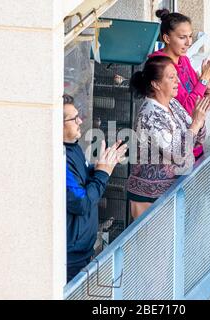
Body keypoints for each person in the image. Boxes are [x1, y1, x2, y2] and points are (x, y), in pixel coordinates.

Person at [126, 56, 210, 219]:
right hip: (150, 200)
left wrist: (200, 119)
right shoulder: (150, 115)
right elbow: (178, 154)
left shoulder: (173, 104)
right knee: (154, 245)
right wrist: (195, 123)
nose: (178, 82)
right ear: (156, 84)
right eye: (171, 77)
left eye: (177, 76)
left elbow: (197, 140)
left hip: (172, 193)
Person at [63, 94, 127, 282]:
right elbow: (81, 202)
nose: (80, 121)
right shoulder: (60, 158)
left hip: (83, 251)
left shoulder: (73, 147)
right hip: (71, 258)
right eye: (74, 118)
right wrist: (102, 174)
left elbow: (82, 179)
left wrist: (102, 166)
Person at [150, 8, 210, 159]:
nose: (189, 42)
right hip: (174, 148)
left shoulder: (183, 59)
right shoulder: (160, 65)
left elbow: (198, 97)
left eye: (190, 36)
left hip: (194, 141)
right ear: (167, 38)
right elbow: (188, 109)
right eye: (182, 37)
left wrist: (207, 84)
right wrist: (203, 79)